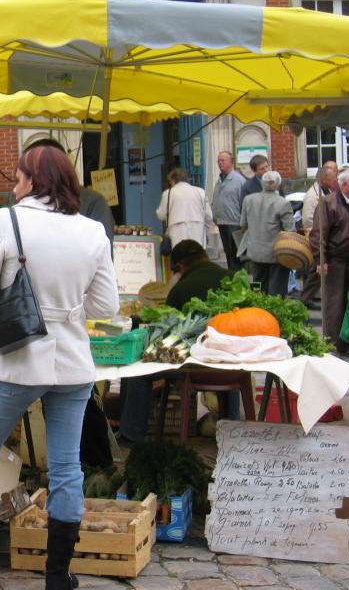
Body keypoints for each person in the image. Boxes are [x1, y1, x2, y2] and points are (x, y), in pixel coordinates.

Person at [0, 144, 119, 590]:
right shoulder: (92, 231)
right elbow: (106, 305)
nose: (14, 186)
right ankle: (58, 577)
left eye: (17, 177)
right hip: (72, 363)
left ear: (33, 180)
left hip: (18, 360)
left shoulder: (5, 221)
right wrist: (66, 305)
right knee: (67, 467)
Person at [118, 241, 233, 444]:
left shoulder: (181, 289)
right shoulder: (232, 278)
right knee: (232, 372)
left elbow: (167, 330)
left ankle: (131, 436)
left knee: (137, 374)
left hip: (190, 366)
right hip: (230, 364)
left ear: (180, 267)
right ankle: (234, 426)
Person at [309, 168, 349, 359]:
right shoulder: (328, 203)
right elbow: (319, 234)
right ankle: (330, 344)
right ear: (344, 185)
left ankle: (345, 344)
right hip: (334, 261)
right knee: (334, 304)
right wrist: (320, 259)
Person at [238, 171, 295, 297]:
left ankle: (257, 310)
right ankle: (272, 314)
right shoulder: (283, 203)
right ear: (278, 185)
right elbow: (290, 231)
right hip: (276, 254)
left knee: (257, 287)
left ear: (262, 183)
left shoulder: (248, 200)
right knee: (276, 291)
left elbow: (242, 224)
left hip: (255, 251)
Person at [299, 162, 338, 307]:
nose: (335, 180)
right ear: (323, 179)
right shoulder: (313, 196)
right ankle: (302, 303)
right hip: (317, 240)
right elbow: (309, 221)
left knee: (316, 276)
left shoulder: (326, 190)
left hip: (325, 239)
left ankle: (305, 301)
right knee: (315, 275)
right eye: (333, 178)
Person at [156, 167, 212, 248]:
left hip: (176, 231)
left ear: (173, 180)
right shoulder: (200, 192)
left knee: (180, 255)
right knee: (198, 255)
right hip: (198, 230)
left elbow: (161, 215)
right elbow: (209, 216)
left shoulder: (168, 193)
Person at [211, 150, 246, 271]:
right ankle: (232, 277)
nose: (220, 163)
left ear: (231, 162)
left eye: (223, 160)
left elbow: (244, 203)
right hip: (222, 222)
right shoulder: (219, 181)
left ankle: (238, 279)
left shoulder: (239, 180)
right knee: (228, 253)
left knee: (235, 254)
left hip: (234, 223)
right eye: (218, 161)